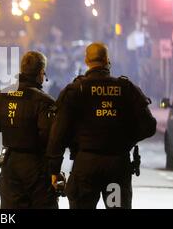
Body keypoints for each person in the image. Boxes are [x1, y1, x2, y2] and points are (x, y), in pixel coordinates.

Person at [47, 42, 156, 209]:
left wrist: (54, 170)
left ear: (86, 60)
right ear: (107, 60)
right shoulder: (125, 88)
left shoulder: (77, 90)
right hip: (117, 166)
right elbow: (149, 126)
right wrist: (126, 141)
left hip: (85, 165)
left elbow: (58, 134)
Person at [0, 51, 58, 209]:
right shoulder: (43, 101)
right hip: (36, 166)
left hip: (10, 164)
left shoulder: (3, 94)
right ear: (40, 73)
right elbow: (47, 135)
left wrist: (11, 126)